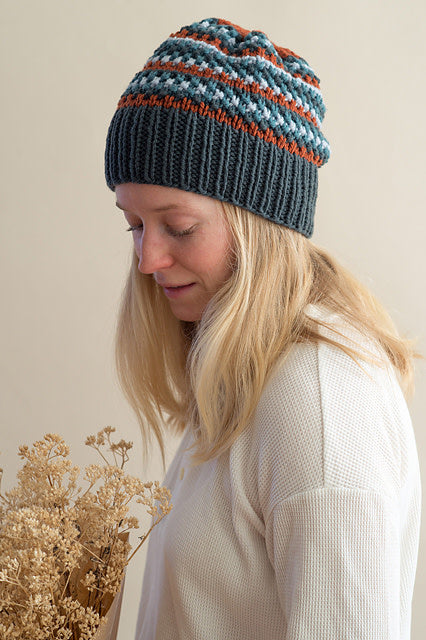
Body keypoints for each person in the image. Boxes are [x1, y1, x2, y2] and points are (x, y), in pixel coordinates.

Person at [104, 17, 421, 639]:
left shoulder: (319, 403)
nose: (147, 260)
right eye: (134, 225)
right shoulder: (244, 371)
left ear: (260, 222)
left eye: (179, 227)